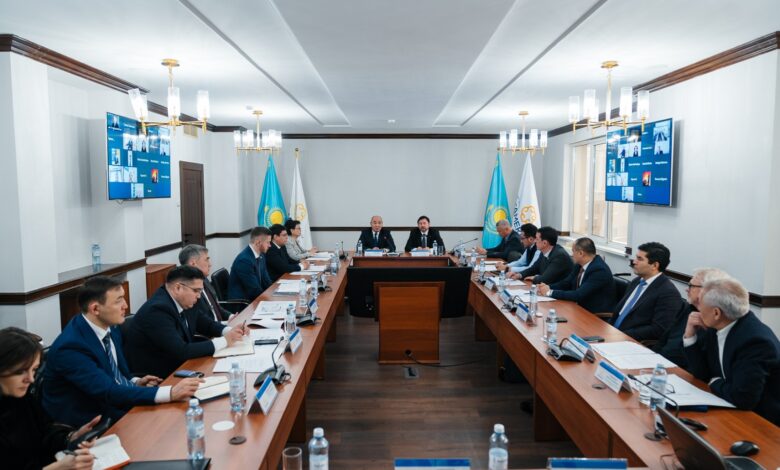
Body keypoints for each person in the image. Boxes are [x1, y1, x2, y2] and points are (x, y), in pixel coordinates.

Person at [42, 277, 201, 428]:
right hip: (92, 421)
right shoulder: (71, 347)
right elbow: (108, 391)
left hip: (116, 403)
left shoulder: (110, 327)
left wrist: (134, 382)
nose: (125, 305)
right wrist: (171, 393)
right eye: (118, 300)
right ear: (95, 308)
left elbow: (115, 373)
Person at [683, 278, 780, 425]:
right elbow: (702, 373)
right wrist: (690, 336)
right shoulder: (719, 325)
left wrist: (714, 382)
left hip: (762, 421)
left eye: (700, 305)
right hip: (729, 405)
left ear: (716, 313)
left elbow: (744, 398)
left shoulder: (755, 342)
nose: (698, 310)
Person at [124, 266, 247, 379]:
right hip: (159, 376)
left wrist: (230, 331)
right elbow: (182, 351)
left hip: (181, 366)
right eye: (196, 291)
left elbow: (206, 324)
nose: (199, 296)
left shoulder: (184, 300)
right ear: (178, 288)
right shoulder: (157, 310)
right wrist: (225, 340)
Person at [1, 327, 96, 470]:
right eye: (20, 372)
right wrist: (57, 468)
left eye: (34, 370)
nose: (31, 379)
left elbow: (45, 432)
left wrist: (72, 436)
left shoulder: (22, 398)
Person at [653, 268, 730, 368]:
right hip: (659, 363)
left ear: (706, 290)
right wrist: (651, 356)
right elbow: (664, 339)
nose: (686, 289)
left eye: (691, 286)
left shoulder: (716, 322)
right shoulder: (688, 308)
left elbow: (702, 365)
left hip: (681, 372)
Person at [609, 242, 683, 342]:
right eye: (636, 257)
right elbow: (619, 313)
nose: (634, 262)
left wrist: (621, 335)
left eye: (640, 259)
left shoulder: (668, 293)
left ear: (655, 265)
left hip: (629, 341)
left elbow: (658, 329)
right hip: (612, 333)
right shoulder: (636, 281)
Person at [537, 237, 616, 314]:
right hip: (578, 307)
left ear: (581, 253)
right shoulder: (580, 265)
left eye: (573, 251)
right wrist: (547, 287)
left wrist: (550, 292)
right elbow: (566, 283)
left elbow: (578, 294)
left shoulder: (599, 270)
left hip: (593, 314)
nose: (572, 254)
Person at [180, 244, 229, 321]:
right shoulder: (187, 291)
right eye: (206, 260)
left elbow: (215, 307)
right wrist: (226, 326)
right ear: (193, 264)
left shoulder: (204, 279)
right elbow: (201, 323)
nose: (210, 264)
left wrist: (231, 317)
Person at [228, 226, 273, 300]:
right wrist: (270, 299)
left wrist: (275, 293)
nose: (270, 245)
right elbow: (254, 290)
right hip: (243, 303)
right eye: (268, 242)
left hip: (255, 298)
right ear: (258, 242)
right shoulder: (244, 261)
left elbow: (266, 281)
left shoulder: (261, 255)